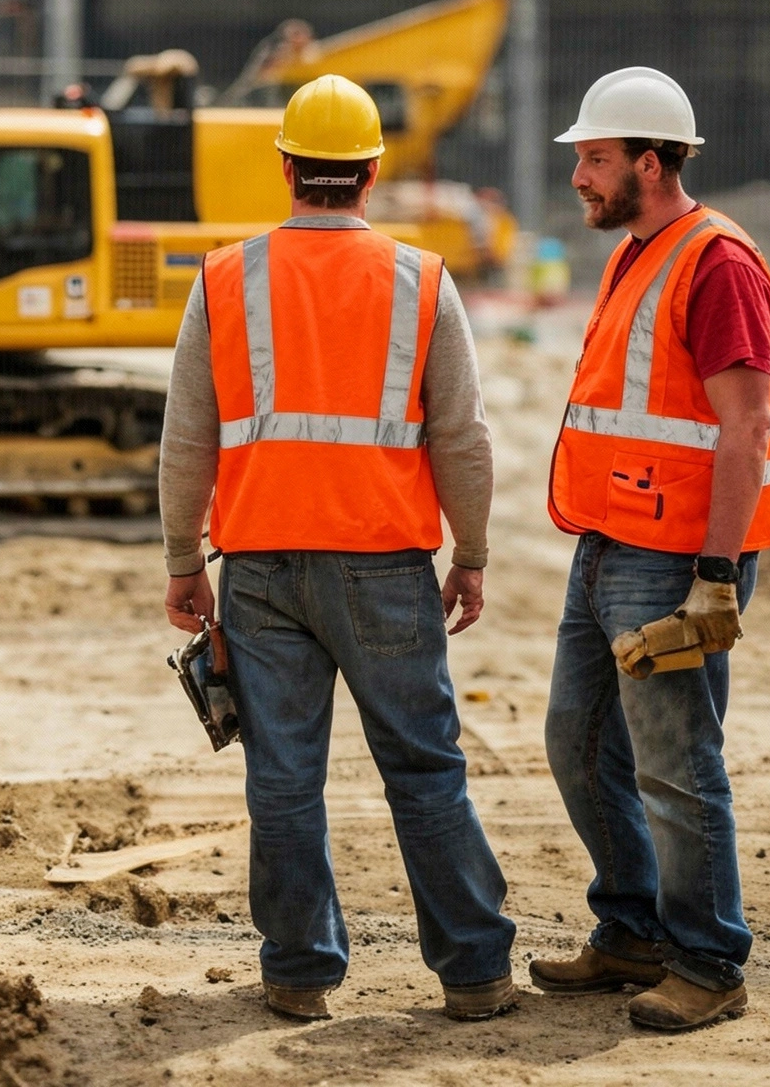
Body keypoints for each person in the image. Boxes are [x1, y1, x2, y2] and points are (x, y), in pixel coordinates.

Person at [159, 73, 518, 1024]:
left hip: (261, 570)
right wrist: (471, 552)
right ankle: (476, 974)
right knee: (426, 771)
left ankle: (299, 973)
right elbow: (463, 437)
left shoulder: (226, 277)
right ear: (371, 171)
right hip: (385, 569)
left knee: (282, 778)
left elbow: (187, 436)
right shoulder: (422, 281)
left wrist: (182, 561)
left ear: (285, 168)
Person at [536, 66, 770, 1034]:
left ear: (648, 159)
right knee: (578, 739)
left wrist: (714, 573)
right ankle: (630, 927)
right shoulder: (637, 249)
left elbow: (744, 423)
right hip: (605, 542)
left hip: (673, 560)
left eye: (592, 158)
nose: (578, 177)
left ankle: (708, 957)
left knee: (675, 764)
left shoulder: (716, 261)